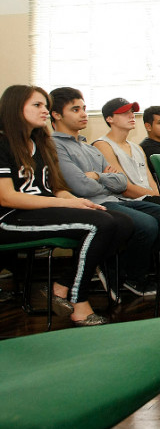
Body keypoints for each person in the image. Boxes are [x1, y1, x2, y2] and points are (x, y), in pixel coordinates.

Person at [0, 85, 132, 326]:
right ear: (15, 108)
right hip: (10, 218)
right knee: (100, 225)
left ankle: (62, 285)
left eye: (45, 106)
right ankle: (78, 302)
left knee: (121, 222)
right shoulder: (2, 143)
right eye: (37, 105)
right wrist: (61, 203)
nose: (45, 111)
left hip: (41, 210)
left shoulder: (39, 144)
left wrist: (76, 202)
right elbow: (6, 197)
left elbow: (56, 188)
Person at [49, 87, 160, 297]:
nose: (83, 113)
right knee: (147, 224)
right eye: (76, 109)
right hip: (93, 204)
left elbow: (120, 180)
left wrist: (96, 176)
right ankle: (130, 275)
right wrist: (105, 178)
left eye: (84, 108)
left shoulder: (88, 147)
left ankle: (118, 269)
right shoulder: (56, 146)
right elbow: (82, 187)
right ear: (57, 115)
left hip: (114, 199)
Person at [92, 97, 160, 287]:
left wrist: (158, 197)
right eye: (124, 113)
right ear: (109, 119)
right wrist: (155, 197)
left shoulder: (136, 147)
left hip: (144, 198)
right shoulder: (102, 145)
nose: (131, 116)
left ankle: (131, 264)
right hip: (122, 200)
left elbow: (150, 181)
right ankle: (128, 269)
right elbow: (123, 186)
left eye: (132, 112)